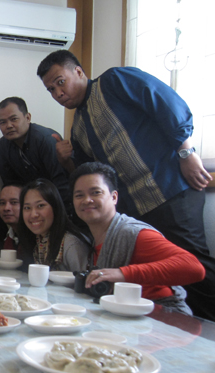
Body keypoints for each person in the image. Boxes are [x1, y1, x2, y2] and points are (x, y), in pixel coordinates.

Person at [37, 49, 215, 319]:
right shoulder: (78, 128)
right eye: (50, 89)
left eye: (60, 81)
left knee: (193, 264)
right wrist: (66, 162)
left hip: (169, 190)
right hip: (135, 210)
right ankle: (183, 331)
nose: (57, 93)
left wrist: (186, 152)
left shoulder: (115, 80)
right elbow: (94, 178)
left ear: (79, 72)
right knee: (158, 274)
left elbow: (165, 102)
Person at [70, 162, 205, 315]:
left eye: (96, 192)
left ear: (114, 197)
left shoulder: (133, 233)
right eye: (79, 195)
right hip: (126, 317)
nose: (87, 200)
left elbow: (194, 267)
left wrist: (122, 273)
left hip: (163, 318)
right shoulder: (94, 240)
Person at [0, 97, 72, 212]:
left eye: (14, 119)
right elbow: (12, 186)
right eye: (3, 122)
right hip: (29, 207)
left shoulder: (45, 139)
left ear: (27, 118)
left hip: (60, 203)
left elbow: (61, 182)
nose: (9, 125)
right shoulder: (2, 147)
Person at [18, 179, 89, 271]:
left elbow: (84, 282)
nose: (33, 214)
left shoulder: (71, 244)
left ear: (55, 207)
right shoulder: (39, 241)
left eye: (40, 206)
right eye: (27, 208)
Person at [0, 182, 23, 250]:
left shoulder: (38, 238)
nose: (6, 208)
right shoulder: (10, 237)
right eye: (2, 203)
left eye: (14, 202)